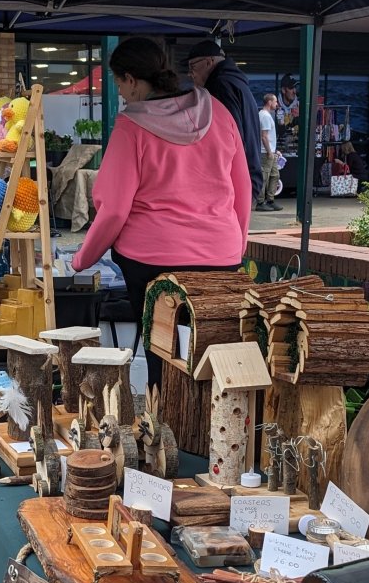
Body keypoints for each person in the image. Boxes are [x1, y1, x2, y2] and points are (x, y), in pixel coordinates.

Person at [71, 36, 251, 389]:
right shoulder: (220, 113)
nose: (122, 94)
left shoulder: (131, 126)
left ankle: (164, 425)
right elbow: (243, 190)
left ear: (132, 79)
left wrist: (82, 258)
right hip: (221, 255)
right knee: (216, 347)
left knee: (162, 349)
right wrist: (236, 247)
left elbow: (114, 209)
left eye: (120, 84)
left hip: (152, 260)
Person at [185, 39, 263, 204]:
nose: (189, 73)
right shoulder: (237, 82)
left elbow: (226, 138)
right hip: (248, 174)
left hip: (234, 180)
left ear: (209, 62)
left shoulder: (219, 85)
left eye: (192, 66)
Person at [256, 93, 283, 211]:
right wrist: (269, 151)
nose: (277, 104)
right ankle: (260, 202)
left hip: (270, 151)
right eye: (275, 101)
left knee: (275, 175)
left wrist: (274, 150)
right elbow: (264, 136)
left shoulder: (262, 114)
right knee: (264, 177)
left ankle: (270, 199)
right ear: (269, 102)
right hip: (266, 153)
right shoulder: (266, 116)